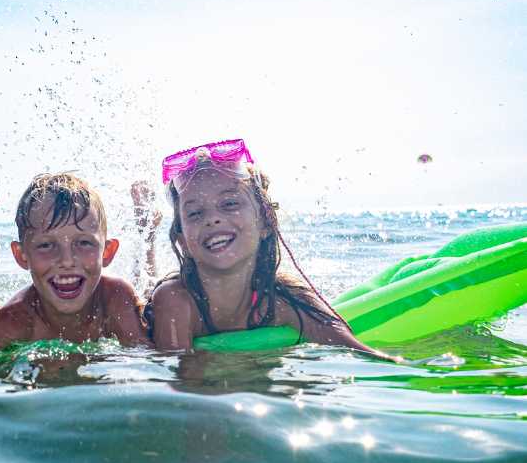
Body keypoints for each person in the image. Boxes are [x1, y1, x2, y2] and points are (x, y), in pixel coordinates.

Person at [149, 139, 393, 358]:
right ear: (182, 240)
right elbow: (180, 382)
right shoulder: (176, 300)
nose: (212, 219)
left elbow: (356, 351)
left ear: (266, 222)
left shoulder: (286, 299)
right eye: (195, 213)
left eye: (230, 203)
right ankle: (147, 234)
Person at [0, 172, 149, 353]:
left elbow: (147, 357)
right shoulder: (14, 322)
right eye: (46, 245)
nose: (66, 260)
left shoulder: (115, 298)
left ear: (107, 252)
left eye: (83, 243)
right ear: (21, 255)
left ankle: (147, 238)